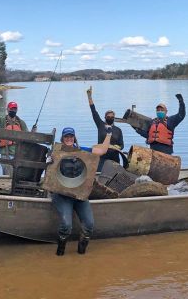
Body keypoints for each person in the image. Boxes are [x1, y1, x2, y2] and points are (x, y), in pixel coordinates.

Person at [50, 126, 112, 256]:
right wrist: (50, 159)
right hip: (62, 195)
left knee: (89, 225)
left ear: (74, 138)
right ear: (62, 138)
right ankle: (60, 252)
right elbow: (49, 171)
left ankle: (81, 253)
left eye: (71, 137)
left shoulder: (82, 150)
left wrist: (109, 134)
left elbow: (102, 150)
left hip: (79, 195)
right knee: (66, 225)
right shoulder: (56, 152)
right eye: (66, 137)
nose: (69, 139)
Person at [0, 94, 28, 175]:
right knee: (7, 175)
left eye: (15, 109)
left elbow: (28, 136)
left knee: (16, 175)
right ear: (8, 109)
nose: (13, 110)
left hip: (18, 154)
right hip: (5, 154)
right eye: (12, 108)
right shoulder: (1, 121)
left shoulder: (21, 123)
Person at [86, 86, 124, 171]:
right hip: (102, 157)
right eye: (108, 116)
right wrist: (89, 97)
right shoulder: (100, 125)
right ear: (105, 117)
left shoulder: (118, 130)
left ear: (114, 118)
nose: (110, 118)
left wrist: (118, 147)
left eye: (112, 117)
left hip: (114, 158)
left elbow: (122, 145)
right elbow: (94, 111)